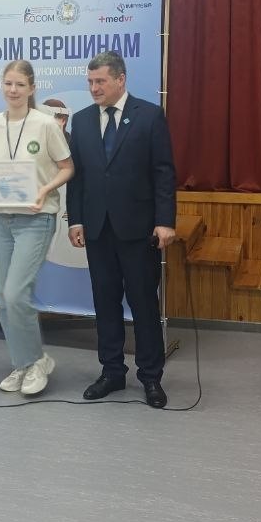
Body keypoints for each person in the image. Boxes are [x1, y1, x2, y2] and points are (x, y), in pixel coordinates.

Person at [67, 51, 176, 409]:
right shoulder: (82, 120)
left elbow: (163, 172)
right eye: (90, 82)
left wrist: (165, 221)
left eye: (100, 81)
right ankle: (112, 372)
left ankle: (151, 377)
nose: (94, 88)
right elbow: (77, 177)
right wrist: (76, 219)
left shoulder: (149, 115)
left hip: (139, 229)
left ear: (120, 79)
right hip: (98, 229)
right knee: (105, 302)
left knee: (143, 304)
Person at [0, 61, 73, 397]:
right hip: (2, 218)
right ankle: (23, 363)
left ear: (32, 88)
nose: (13, 90)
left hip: (36, 218)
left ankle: (36, 362)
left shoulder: (45, 124)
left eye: (20, 84)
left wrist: (44, 189)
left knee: (16, 293)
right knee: (3, 298)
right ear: (1, 85)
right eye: (8, 83)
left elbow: (67, 167)